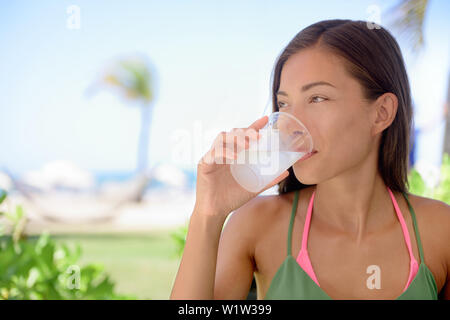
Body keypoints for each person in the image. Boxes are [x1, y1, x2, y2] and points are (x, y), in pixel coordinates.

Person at [170, 19, 450, 300]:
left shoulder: (440, 230)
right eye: (284, 103)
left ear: (381, 113)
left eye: (317, 98)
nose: (290, 124)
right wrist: (208, 215)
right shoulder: (256, 225)